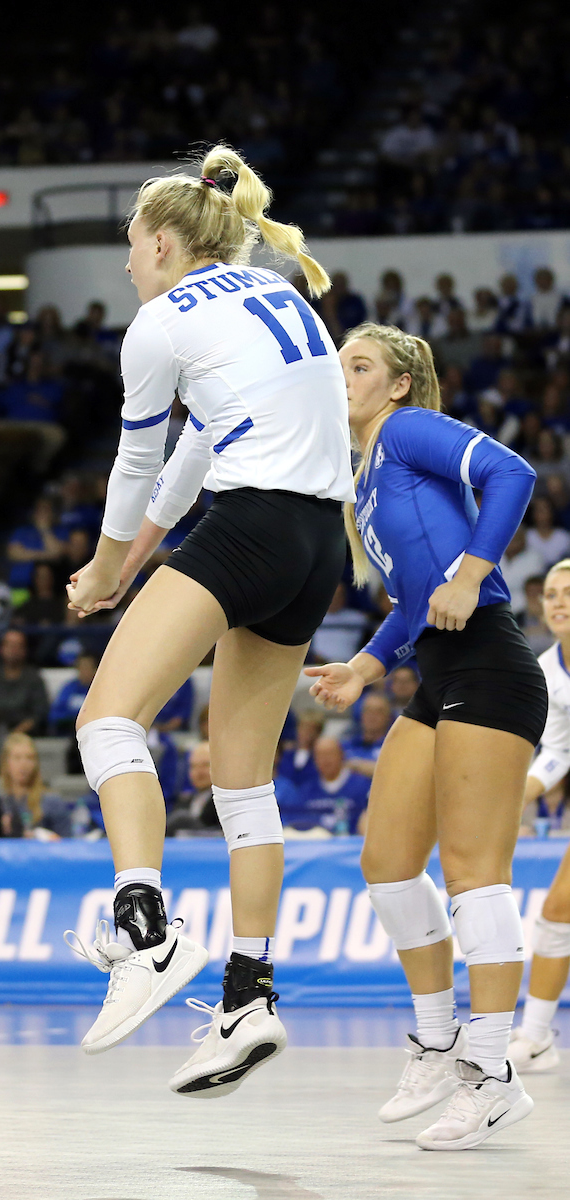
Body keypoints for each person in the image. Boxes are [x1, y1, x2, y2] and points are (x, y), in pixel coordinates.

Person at [62, 145, 352, 1095]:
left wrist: (106, 566)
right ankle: (247, 1000)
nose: (128, 266)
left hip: (254, 522)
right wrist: (132, 565)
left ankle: (145, 931)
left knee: (105, 720)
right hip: (317, 546)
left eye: (130, 249)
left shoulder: (157, 322)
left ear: (156, 240)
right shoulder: (275, 293)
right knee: (243, 786)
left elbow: (138, 464)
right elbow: (196, 447)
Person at [306, 322, 546, 1149]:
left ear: (398, 385)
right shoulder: (361, 477)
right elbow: (414, 603)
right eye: (339, 364)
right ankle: (438, 1040)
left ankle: (492, 1074)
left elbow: (513, 472)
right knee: (386, 864)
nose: (343, 376)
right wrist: (367, 669)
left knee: (475, 873)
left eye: (359, 365)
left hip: (488, 663)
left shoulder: (406, 432)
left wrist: (476, 569)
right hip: (435, 674)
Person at [509, 559, 570, 1073]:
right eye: (551, 594)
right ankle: (536, 1038)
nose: (559, 601)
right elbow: (557, 752)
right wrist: (516, 796)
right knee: (557, 913)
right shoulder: (547, 671)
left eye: (569, 592)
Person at [279, 736, 369, 835]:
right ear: (314, 760)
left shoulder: (362, 787)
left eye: (330, 754)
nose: (325, 760)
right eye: (320, 755)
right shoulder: (306, 791)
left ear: (341, 755)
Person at [0, 732, 71, 838]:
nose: (24, 764)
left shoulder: (52, 802)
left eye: (30, 758)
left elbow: (68, 842)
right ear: (5, 763)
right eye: (17, 758)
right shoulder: (0, 803)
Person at [0, 628, 49, 734]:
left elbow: (40, 712)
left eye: (18, 646)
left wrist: (18, 732)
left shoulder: (34, 678)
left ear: (25, 649)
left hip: (28, 734)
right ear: (1, 648)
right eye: (9, 645)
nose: (13, 650)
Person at [165, 741, 219, 836]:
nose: (198, 772)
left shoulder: (223, 801)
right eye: (193, 766)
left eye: (205, 765)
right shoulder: (183, 800)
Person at [341, 690, 392, 777]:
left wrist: (355, 765)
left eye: (379, 711)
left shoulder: (394, 747)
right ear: (361, 714)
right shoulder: (345, 746)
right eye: (368, 710)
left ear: (388, 717)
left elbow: (394, 774)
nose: (372, 715)